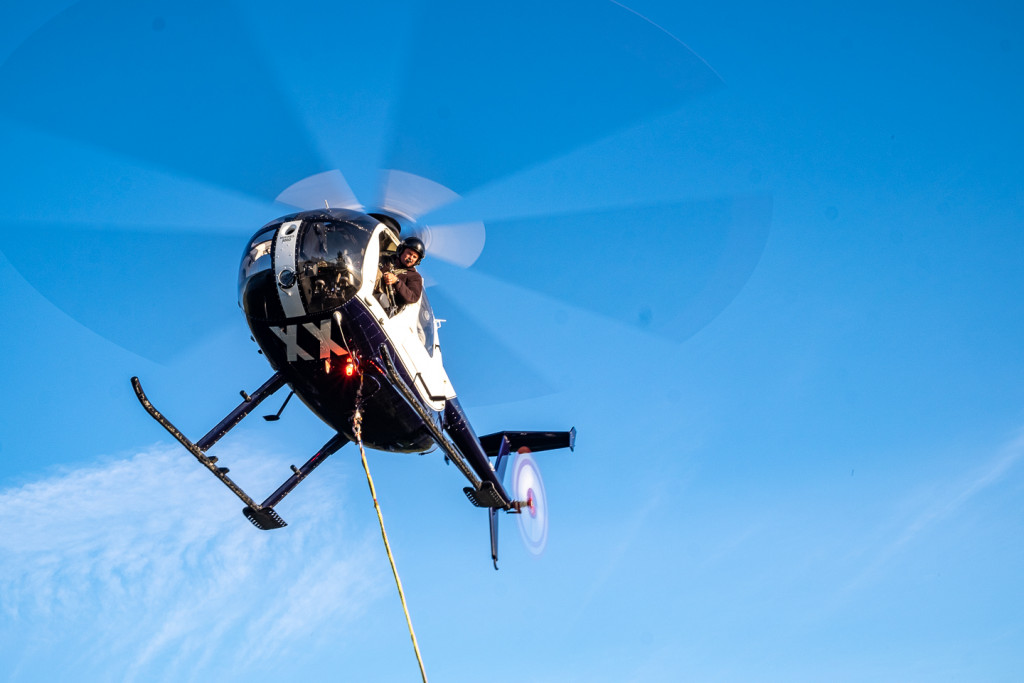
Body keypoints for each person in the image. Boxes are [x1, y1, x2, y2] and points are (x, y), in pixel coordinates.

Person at [378, 237, 425, 313]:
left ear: (417, 261)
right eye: (409, 254)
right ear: (401, 250)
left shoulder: (414, 276)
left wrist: (397, 281)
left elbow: (413, 297)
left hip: (384, 303)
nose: (411, 258)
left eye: (414, 257)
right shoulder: (384, 259)